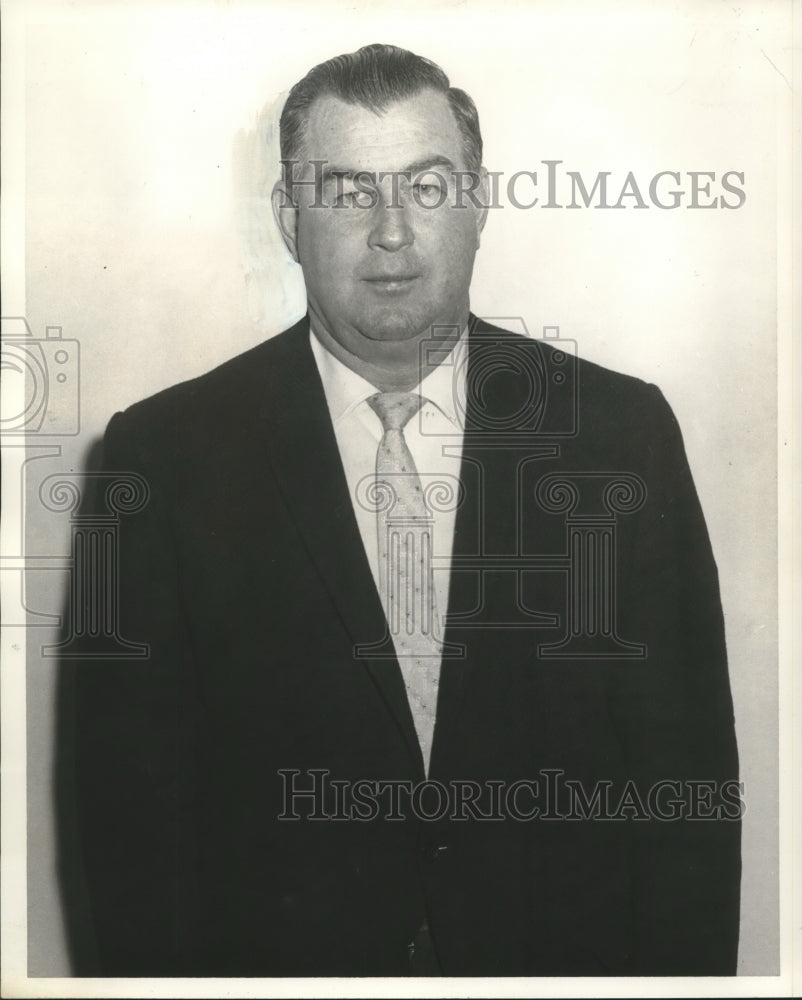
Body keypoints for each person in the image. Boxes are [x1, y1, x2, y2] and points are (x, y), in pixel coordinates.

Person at [59, 43, 741, 977]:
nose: (390, 232)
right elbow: (130, 830)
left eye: (425, 187)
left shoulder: (622, 436)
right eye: (346, 191)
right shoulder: (164, 458)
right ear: (288, 219)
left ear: (479, 202)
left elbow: (689, 793)